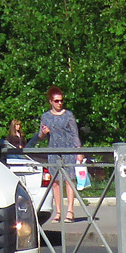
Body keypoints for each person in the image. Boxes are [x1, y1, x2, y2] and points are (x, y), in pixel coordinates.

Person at [35, 86, 81, 222]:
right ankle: (58, 212)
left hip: (68, 149)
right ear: (50, 101)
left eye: (61, 101)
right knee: (55, 182)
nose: (59, 103)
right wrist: (44, 131)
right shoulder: (46, 116)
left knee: (69, 180)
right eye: (56, 101)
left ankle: (70, 211)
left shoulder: (68, 115)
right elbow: (40, 136)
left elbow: (75, 134)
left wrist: (79, 151)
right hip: (53, 150)